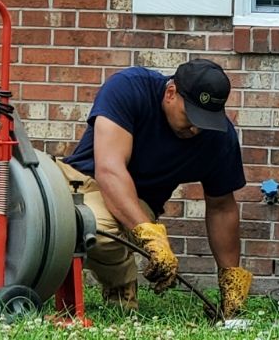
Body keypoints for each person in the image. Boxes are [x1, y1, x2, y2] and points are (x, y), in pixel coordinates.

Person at [54, 58, 252, 318]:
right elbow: (110, 170)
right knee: (34, 206)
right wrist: (149, 235)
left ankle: (120, 292)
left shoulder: (219, 139)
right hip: (77, 179)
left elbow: (221, 208)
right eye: (190, 116)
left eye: (204, 121)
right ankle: (26, 287)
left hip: (137, 198)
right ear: (171, 93)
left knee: (96, 226)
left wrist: (231, 276)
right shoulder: (129, 88)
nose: (195, 128)